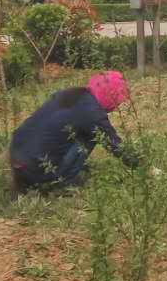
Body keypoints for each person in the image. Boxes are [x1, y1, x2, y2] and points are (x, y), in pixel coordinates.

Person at [9, 71, 137, 191]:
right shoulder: (93, 113)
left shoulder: (71, 95)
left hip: (16, 159)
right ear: (111, 96)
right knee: (93, 136)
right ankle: (62, 184)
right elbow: (115, 146)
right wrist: (141, 166)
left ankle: (26, 181)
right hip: (37, 168)